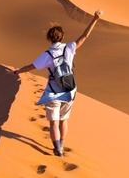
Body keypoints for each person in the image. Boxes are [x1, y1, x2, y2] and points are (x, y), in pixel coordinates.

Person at [12, 10, 103, 156]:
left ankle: (57, 148)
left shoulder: (47, 54)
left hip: (53, 91)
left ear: (49, 38)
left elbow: (32, 66)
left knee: (53, 122)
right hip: (70, 89)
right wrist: (95, 19)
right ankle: (62, 143)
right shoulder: (69, 47)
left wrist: (18, 71)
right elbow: (84, 36)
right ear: (62, 37)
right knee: (63, 120)